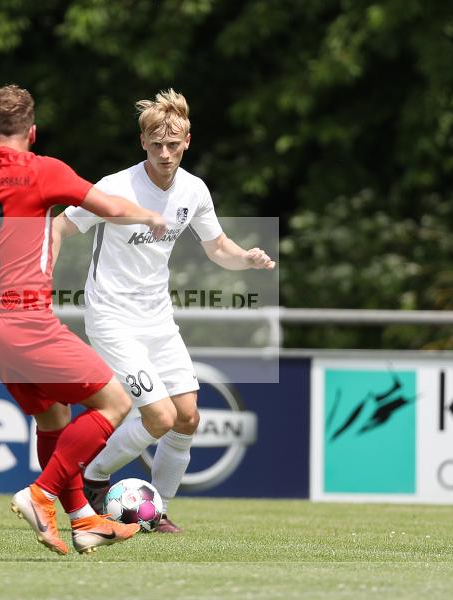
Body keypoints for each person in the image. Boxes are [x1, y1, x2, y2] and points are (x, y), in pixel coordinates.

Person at [0, 84, 167, 555]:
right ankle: (40, 494)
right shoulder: (44, 171)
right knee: (115, 403)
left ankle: (82, 520)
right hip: (27, 321)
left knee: (53, 416)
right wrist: (151, 216)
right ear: (33, 132)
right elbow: (112, 208)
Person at [52, 89, 276, 533]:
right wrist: (40, 275)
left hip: (158, 318)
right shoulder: (115, 188)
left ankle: (158, 512)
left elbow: (218, 248)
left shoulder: (194, 190)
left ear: (187, 142)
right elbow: (59, 225)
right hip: (112, 316)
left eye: (173, 145)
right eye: (156, 144)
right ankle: (93, 476)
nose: (165, 153)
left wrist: (245, 258)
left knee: (188, 417)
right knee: (159, 417)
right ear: (143, 143)